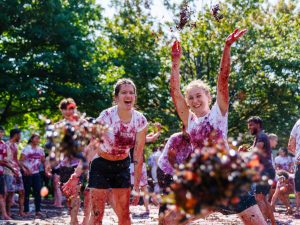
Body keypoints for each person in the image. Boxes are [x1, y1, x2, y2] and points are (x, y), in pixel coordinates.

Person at [168, 29, 267, 225]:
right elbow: (175, 92)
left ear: (208, 97)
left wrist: (227, 47)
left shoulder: (218, 112)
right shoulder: (189, 120)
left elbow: (223, 78)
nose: (195, 100)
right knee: (171, 220)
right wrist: (175, 62)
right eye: (191, 97)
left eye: (199, 96)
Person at [86, 78, 148, 225]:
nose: (128, 96)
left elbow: (138, 155)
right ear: (116, 97)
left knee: (125, 217)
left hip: (121, 166)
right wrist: (76, 175)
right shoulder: (106, 116)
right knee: (97, 215)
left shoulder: (140, 120)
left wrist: (137, 186)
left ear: (135, 97)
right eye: (124, 92)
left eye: (131, 93)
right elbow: (93, 145)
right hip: (101, 164)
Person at [247, 116, 276, 225]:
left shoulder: (262, 136)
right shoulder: (259, 136)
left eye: (251, 125)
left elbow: (255, 152)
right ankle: (273, 223)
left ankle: (263, 222)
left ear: (258, 125)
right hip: (265, 171)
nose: (249, 127)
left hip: (265, 172)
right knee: (262, 198)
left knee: (259, 198)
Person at [19, 133, 49, 217]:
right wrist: (25, 169)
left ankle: (38, 211)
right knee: (26, 192)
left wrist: (46, 170)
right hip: (27, 174)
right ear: (32, 139)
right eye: (36, 138)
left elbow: (43, 161)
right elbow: (20, 161)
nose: (38, 140)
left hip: (36, 173)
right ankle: (26, 210)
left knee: (38, 192)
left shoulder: (40, 150)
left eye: (39, 138)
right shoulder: (26, 149)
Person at [4, 128, 26, 217]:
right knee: (10, 192)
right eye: (20, 135)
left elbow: (16, 159)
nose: (20, 137)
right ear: (16, 135)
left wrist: (21, 168)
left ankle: (21, 212)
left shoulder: (16, 146)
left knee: (22, 191)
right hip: (8, 171)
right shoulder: (5, 145)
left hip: (16, 171)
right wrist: (12, 169)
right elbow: (4, 160)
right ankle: (8, 212)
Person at [0, 126, 18, 220]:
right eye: (0, 132)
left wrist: (14, 167)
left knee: (3, 194)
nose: (1, 134)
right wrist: (11, 167)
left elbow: (3, 159)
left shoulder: (3, 144)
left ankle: (5, 214)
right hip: (5, 171)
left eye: (2, 132)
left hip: (1, 172)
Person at [288, 119, 300, 215]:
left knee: (298, 188)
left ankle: (298, 210)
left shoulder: (298, 122)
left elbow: (290, 144)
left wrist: (296, 154)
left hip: (299, 160)